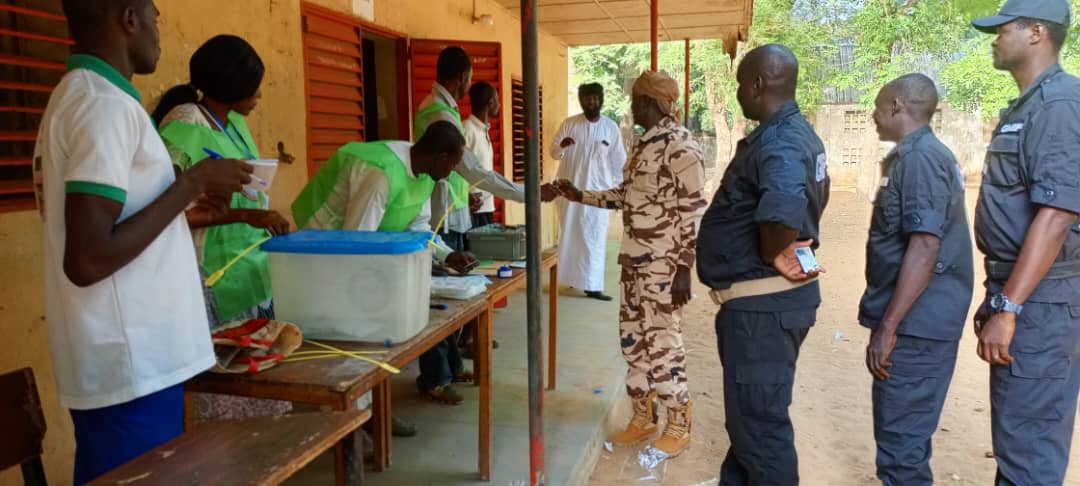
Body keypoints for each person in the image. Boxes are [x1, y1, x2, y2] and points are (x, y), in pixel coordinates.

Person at [39, 1, 252, 483]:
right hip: (130, 363)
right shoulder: (103, 107)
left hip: (132, 361)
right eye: (155, 16)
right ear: (128, 19)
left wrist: (180, 208)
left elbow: (116, 220)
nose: (160, 29)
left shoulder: (92, 98)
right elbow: (88, 257)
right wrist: (190, 183)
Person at [551, 71, 707, 457]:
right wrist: (580, 195)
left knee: (664, 344)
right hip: (633, 263)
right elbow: (625, 195)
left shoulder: (681, 146)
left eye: (636, 99)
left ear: (651, 103)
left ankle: (678, 423)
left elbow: (694, 212)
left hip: (663, 268)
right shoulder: (642, 144)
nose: (631, 105)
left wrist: (685, 268)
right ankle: (643, 417)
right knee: (634, 342)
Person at [695, 44, 829, 485]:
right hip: (768, 306)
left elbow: (785, 205)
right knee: (748, 426)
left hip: (763, 310)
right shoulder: (797, 133)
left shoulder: (782, 141)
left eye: (739, 84)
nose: (737, 93)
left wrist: (775, 249)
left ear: (757, 84)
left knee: (760, 432)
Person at [151, 34, 293, 423]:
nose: (259, 95)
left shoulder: (234, 125)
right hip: (210, 274)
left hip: (248, 269)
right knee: (225, 387)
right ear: (231, 84)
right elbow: (170, 212)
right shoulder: (183, 127)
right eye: (254, 85)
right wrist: (248, 216)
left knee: (260, 385)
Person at [970, 2, 1080, 484]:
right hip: (1028, 293)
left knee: (1027, 455)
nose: (994, 38)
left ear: (1036, 33)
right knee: (1018, 442)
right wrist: (998, 296)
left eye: (1003, 29)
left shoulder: (1059, 104)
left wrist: (1009, 306)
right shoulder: (1030, 104)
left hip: (1043, 304)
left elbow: (1056, 215)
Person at [860, 74, 973, 486]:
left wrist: (887, 328)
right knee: (903, 440)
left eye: (876, 106)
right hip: (919, 322)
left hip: (915, 328)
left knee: (901, 450)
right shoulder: (915, 156)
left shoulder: (921, 159)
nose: (872, 115)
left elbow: (925, 246)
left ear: (896, 106)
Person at [413, 46, 535, 405]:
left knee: (456, 294)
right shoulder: (441, 114)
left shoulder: (442, 107)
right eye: (469, 76)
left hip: (453, 210)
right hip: (439, 216)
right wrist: (524, 193)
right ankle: (434, 377)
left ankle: (449, 367)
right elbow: (474, 172)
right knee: (441, 299)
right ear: (461, 77)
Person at [550, 83, 628, 301]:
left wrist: (622, 192)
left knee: (594, 238)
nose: (590, 102)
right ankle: (576, 279)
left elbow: (618, 161)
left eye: (594, 98)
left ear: (601, 100)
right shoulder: (569, 124)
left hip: (597, 194)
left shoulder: (610, 128)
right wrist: (562, 146)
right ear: (581, 100)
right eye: (586, 98)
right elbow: (553, 152)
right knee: (572, 237)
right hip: (569, 194)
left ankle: (593, 286)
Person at [464, 81, 500, 230]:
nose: (499, 105)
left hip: (487, 208)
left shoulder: (483, 130)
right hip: (473, 210)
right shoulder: (467, 129)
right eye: (497, 100)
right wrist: (466, 197)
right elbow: (455, 169)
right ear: (490, 102)